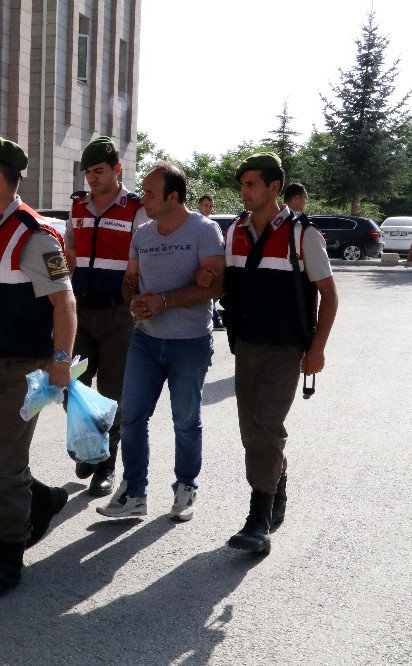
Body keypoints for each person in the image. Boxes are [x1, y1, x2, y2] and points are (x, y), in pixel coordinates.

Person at [0, 137, 76, 601]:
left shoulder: (35, 234)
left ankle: (9, 557)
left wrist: (60, 365)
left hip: (18, 370)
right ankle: (41, 498)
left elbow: (65, 304)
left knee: (5, 464)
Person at [220, 154, 338, 554]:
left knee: (267, 429)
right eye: (242, 185)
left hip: (286, 350)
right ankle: (277, 484)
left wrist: (317, 349)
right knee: (251, 434)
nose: (244, 191)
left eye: (251, 184)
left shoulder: (302, 234)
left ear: (274, 188)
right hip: (246, 347)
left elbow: (329, 296)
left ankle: (258, 521)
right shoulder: (235, 230)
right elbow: (226, 285)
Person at [97, 162, 225, 522]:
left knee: (185, 420)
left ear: (173, 196)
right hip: (146, 341)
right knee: (133, 416)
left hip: (190, 342)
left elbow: (216, 286)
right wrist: (133, 300)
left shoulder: (205, 230)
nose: (143, 199)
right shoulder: (143, 234)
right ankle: (134, 493)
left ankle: (185, 487)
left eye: (150, 193)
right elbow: (130, 281)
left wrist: (164, 301)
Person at [65, 136, 148, 496]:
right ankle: (90, 447)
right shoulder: (78, 207)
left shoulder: (135, 208)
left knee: (112, 393)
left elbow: (146, 257)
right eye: (87, 173)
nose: (92, 179)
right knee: (73, 388)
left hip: (119, 316)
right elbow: (68, 253)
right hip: (80, 310)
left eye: (99, 171)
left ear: (117, 169)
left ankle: (105, 465)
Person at [196, 194, 225, 330]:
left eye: (210, 206)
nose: (208, 209)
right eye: (205, 205)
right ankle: (216, 319)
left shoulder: (212, 224)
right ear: (199, 205)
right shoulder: (194, 223)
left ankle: (215, 318)